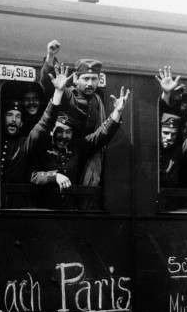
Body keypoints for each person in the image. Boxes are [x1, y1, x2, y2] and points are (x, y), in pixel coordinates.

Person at [31, 64, 131, 208]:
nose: (63, 136)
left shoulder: (77, 147)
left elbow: (100, 135)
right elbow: (34, 176)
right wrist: (54, 176)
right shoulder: (42, 145)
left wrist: (117, 112)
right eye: (59, 131)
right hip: (45, 212)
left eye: (68, 132)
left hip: (71, 213)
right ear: (52, 130)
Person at [40, 40, 108, 187]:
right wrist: (50, 55)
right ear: (76, 79)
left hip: (88, 154)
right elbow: (47, 83)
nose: (90, 83)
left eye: (94, 79)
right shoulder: (68, 94)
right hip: (64, 151)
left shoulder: (98, 99)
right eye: (86, 78)